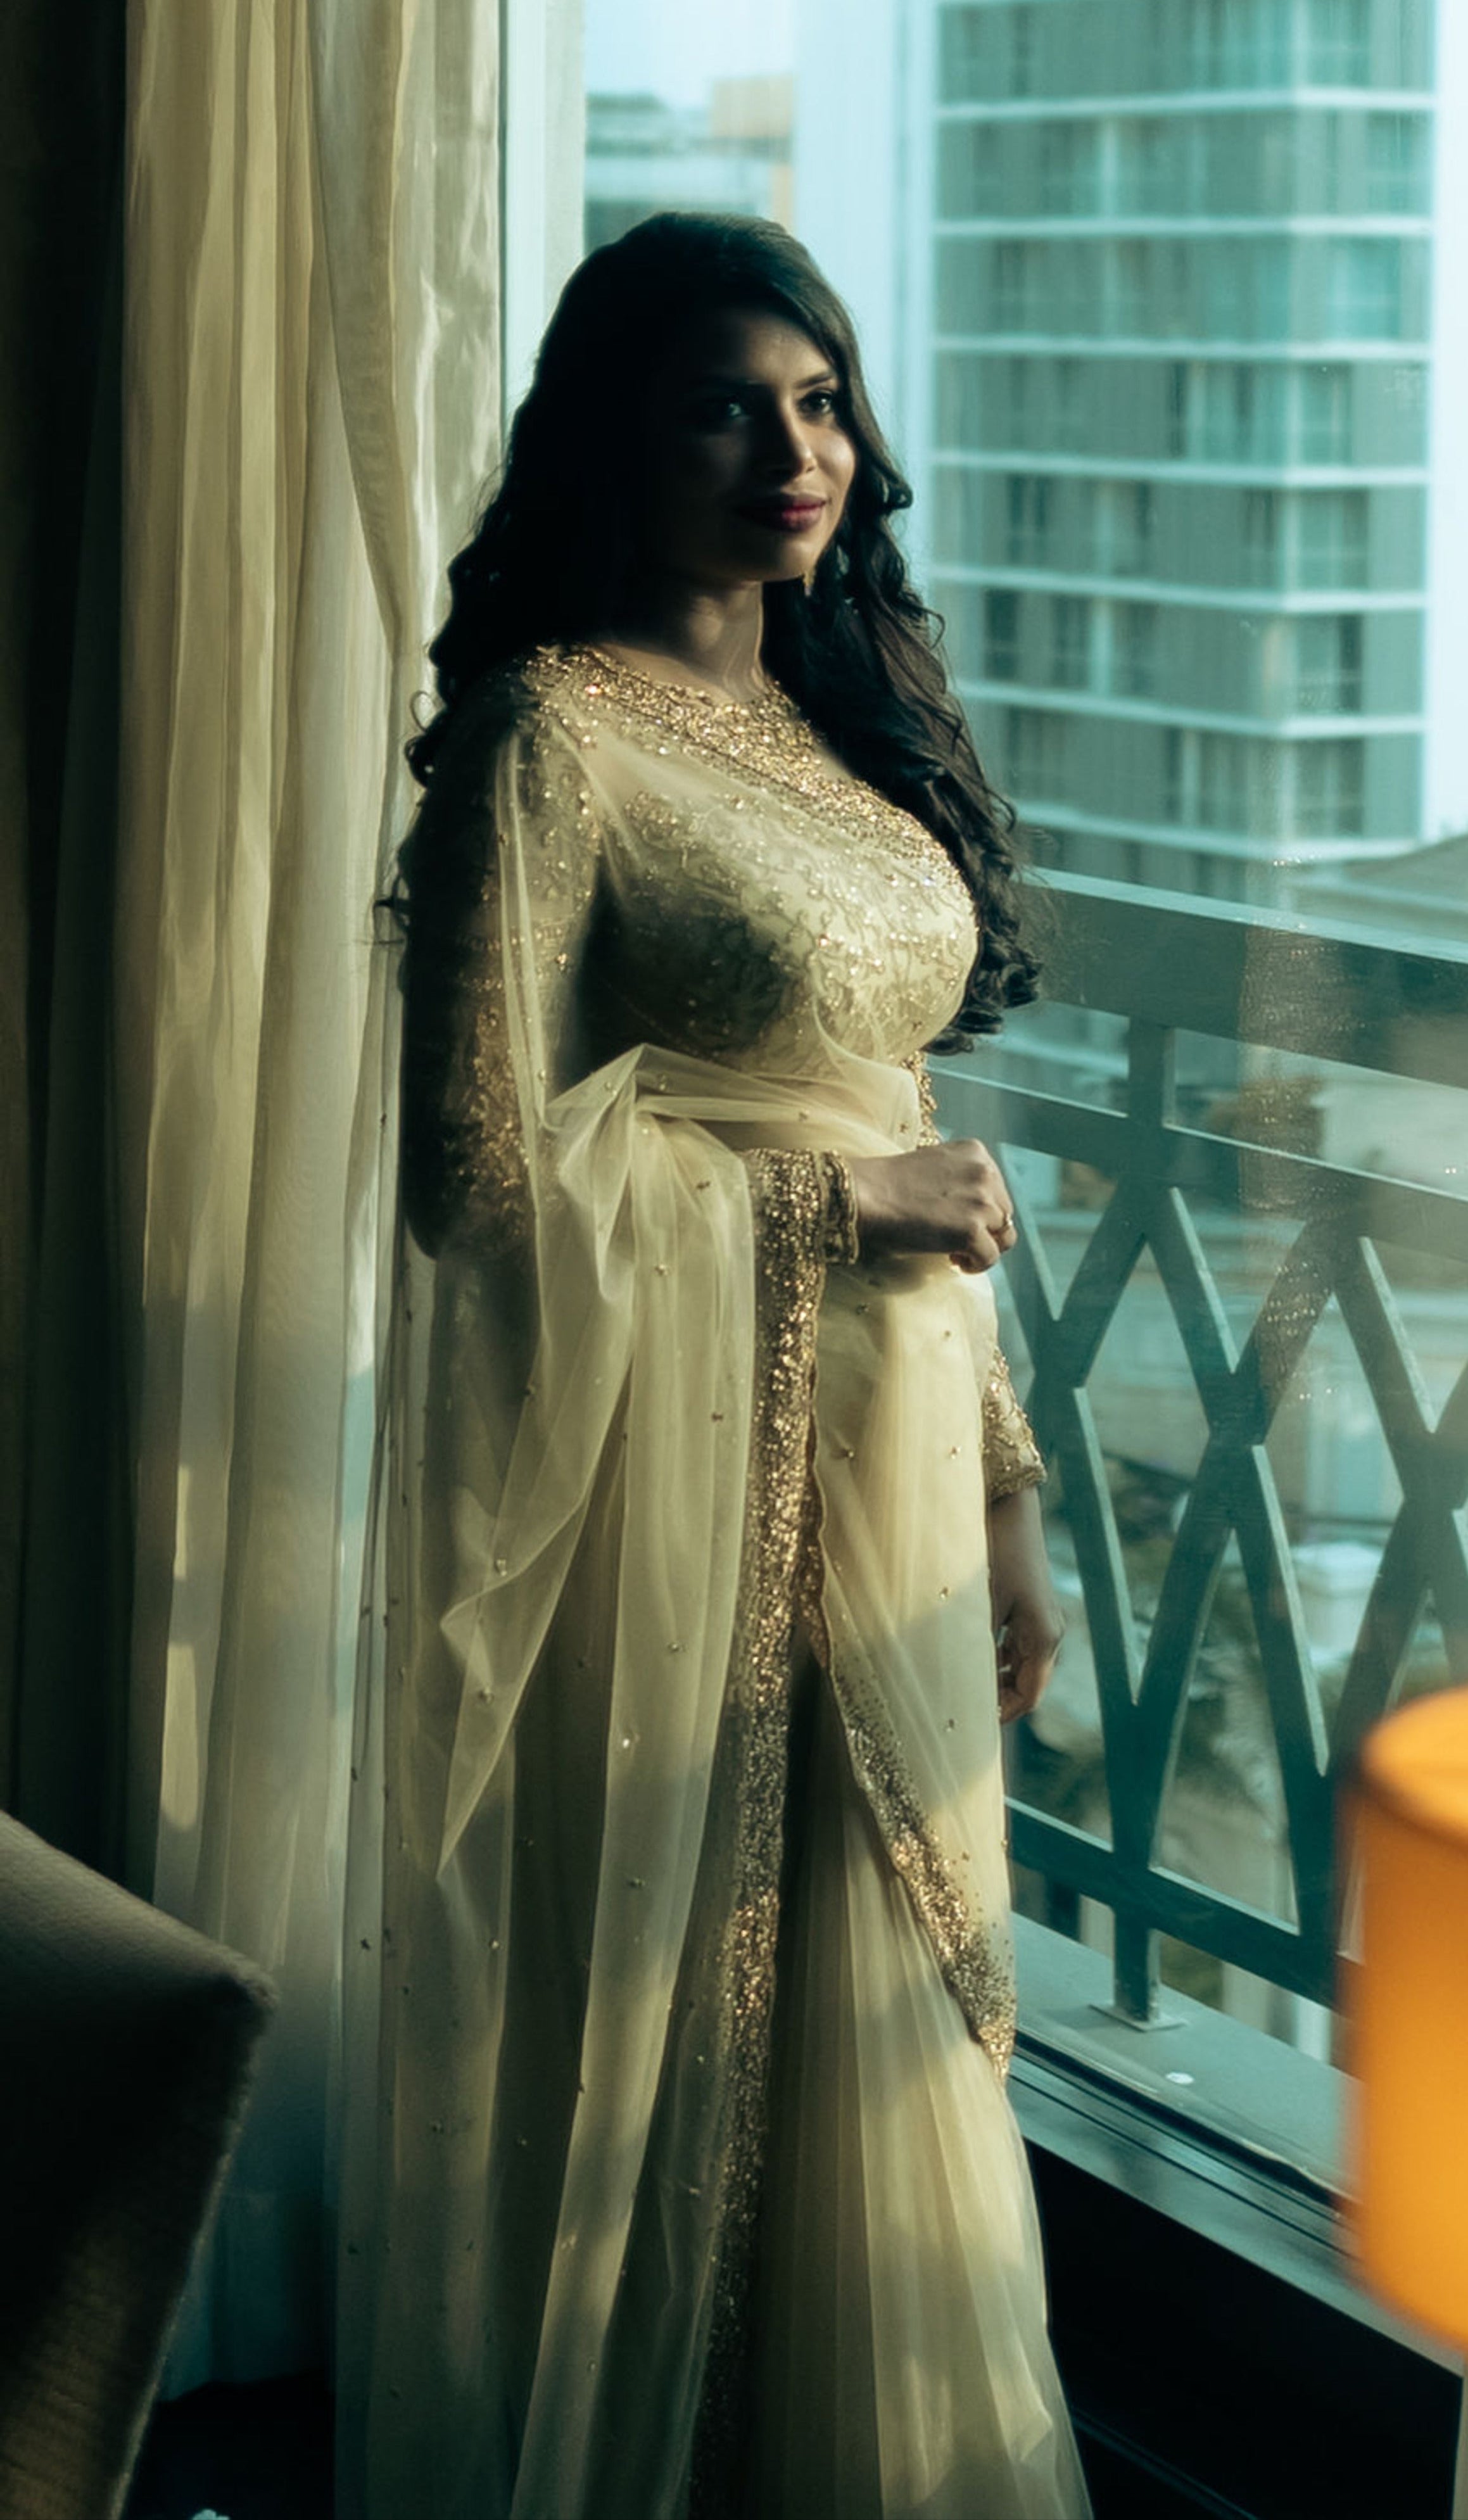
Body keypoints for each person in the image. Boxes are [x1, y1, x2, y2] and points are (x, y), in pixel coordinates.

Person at [338, 212, 1093, 2520]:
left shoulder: (820, 720)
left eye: (821, 399)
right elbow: (471, 1177)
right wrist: (820, 1215)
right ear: (611, 440)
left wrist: (1000, 1488)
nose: (796, 453)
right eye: (723, 405)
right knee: (726, 2025)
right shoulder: (548, 737)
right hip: (685, 1497)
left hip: (891, 1461)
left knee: (902, 2035)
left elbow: (888, 1109)